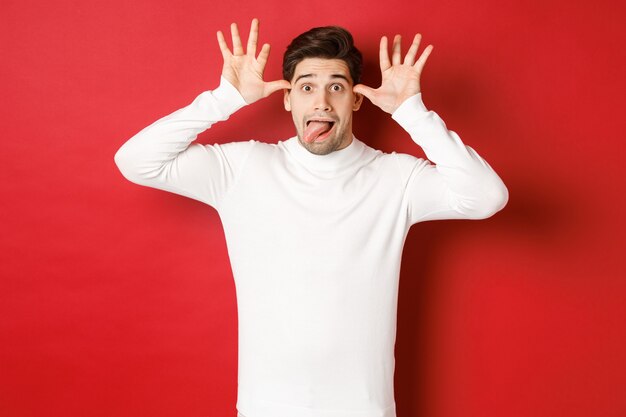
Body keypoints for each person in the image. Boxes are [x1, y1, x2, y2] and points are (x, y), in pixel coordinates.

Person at [114, 18, 508, 417]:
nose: (321, 102)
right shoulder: (243, 168)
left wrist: (412, 113)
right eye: (306, 87)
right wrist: (223, 99)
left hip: (365, 409)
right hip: (265, 408)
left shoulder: (396, 178)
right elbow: (136, 161)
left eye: (336, 87)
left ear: (356, 99)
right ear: (288, 99)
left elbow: (485, 197)